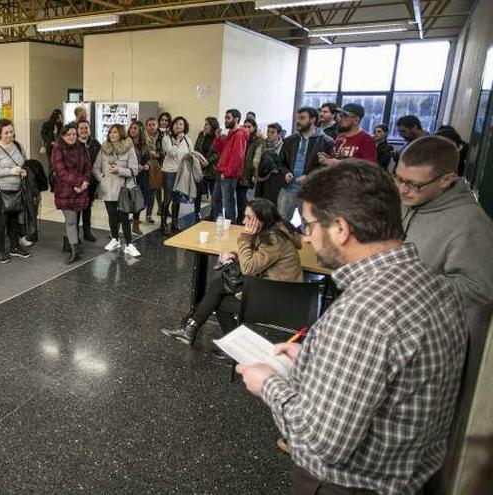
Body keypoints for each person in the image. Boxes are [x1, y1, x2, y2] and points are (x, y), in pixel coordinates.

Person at [236, 160, 468, 495]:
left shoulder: (362, 313)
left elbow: (320, 442)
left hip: (347, 485)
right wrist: (314, 360)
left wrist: (267, 383)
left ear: (341, 229)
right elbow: (387, 373)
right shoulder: (438, 286)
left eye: (311, 224)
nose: (308, 236)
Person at [161, 198, 303, 344]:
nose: (243, 221)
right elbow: (259, 256)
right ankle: (192, 329)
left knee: (220, 301)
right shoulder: (273, 230)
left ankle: (231, 345)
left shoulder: (274, 239)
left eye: (249, 217)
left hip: (278, 297)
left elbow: (248, 268)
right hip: (270, 287)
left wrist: (245, 238)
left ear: (262, 219)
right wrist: (236, 254)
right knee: (219, 286)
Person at [398, 135, 493, 348]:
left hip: (429, 342)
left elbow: (479, 288)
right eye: (399, 179)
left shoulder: (470, 223)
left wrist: (409, 287)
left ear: (446, 180)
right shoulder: (411, 201)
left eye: (414, 184)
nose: (403, 189)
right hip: (396, 327)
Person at [0, 119, 33, 263]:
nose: (9, 135)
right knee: (2, 220)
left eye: (11, 131)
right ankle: (0, 251)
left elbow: (24, 162)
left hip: (16, 189)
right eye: (6, 132)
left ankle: (14, 247)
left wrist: (23, 171)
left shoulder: (18, 145)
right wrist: (10, 171)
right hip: (0, 190)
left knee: (14, 219)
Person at [276, 107, 333, 220]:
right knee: (281, 222)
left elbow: (326, 169)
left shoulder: (326, 141)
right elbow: (280, 162)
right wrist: (286, 173)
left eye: (302, 118)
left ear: (312, 120)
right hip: (288, 188)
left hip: (310, 191)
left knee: (310, 224)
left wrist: (309, 177)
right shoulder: (290, 140)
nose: (298, 121)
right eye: (297, 118)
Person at [93, 123, 141, 257]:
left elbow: (135, 170)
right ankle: (115, 239)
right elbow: (95, 168)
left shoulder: (129, 149)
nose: (112, 135)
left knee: (124, 217)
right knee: (112, 216)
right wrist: (101, 178)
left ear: (121, 133)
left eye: (115, 132)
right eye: (110, 132)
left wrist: (119, 170)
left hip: (122, 190)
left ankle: (129, 244)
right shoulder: (104, 149)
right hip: (107, 189)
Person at [51, 123, 91, 264]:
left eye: (74, 134)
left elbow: (87, 167)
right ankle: (75, 251)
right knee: (72, 220)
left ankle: (68, 242)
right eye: (69, 134)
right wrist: (79, 183)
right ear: (63, 135)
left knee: (73, 220)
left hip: (80, 190)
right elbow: (61, 172)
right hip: (65, 190)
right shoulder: (57, 149)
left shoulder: (80, 148)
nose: (72, 136)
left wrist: (85, 182)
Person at [214, 109, 249, 222]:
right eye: (225, 118)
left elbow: (237, 157)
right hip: (222, 172)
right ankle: (218, 223)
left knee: (227, 203)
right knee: (216, 200)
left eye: (228, 118)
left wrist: (227, 173)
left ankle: (231, 225)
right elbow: (221, 151)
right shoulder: (230, 134)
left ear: (236, 119)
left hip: (229, 175)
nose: (226, 120)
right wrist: (218, 138)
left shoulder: (239, 135)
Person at [160, 116, 192, 235]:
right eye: (176, 124)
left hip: (182, 172)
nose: (178, 126)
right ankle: (163, 224)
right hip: (169, 172)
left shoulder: (188, 140)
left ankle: (174, 223)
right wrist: (177, 141)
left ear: (185, 127)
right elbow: (172, 153)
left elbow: (190, 154)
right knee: (167, 198)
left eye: (181, 124)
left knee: (177, 199)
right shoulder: (166, 139)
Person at [75, 119, 101, 243]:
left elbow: (101, 160)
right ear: (77, 130)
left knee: (88, 207)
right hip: (78, 183)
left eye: (86, 128)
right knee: (76, 209)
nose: (84, 130)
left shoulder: (95, 143)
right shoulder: (73, 144)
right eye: (81, 128)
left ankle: (87, 232)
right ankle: (74, 235)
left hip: (91, 182)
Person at [195, 117, 220, 221]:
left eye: (207, 125)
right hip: (201, 169)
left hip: (213, 169)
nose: (204, 126)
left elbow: (218, 152)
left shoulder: (218, 136)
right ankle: (196, 214)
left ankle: (213, 216)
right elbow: (196, 148)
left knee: (215, 196)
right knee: (197, 194)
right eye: (204, 124)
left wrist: (207, 161)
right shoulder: (201, 135)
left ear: (212, 126)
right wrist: (200, 160)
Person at [237, 119, 262, 224]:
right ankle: (240, 218)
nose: (247, 129)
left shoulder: (258, 141)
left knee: (245, 199)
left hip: (249, 175)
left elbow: (257, 159)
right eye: (245, 126)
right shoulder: (242, 137)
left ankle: (246, 219)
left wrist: (254, 175)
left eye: (249, 126)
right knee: (239, 198)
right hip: (239, 174)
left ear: (254, 128)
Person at [254, 123, 285, 204]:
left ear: (278, 134)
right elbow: (256, 161)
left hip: (275, 180)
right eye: (268, 132)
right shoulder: (262, 145)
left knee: (271, 204)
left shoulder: (283, 147)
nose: (269, 134)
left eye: (273, 132)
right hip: (261, 178)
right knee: (260, 203)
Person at [143, 117, 162, 224]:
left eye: (154, 125)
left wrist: (157, 155)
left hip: (155, 167)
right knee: (141, 192)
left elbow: (163, 152)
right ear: (146, 126)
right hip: (144, 166)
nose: (151, 127)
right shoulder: (142, 137)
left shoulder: (161, 137)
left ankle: (148, 215)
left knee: (152, 193)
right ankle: (135, 215)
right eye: (149, 125)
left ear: (157, 126)